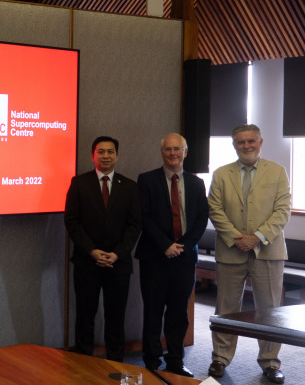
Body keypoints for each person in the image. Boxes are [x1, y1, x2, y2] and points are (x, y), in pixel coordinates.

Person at [207, 124, 291, 384]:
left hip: (267, 251)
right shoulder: (221, 174)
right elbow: (215, 208)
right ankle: (220, 358)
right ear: (234, 145)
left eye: (251, 141)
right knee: (226, 309)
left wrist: (257, 237)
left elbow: (283, 210)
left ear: (260, 142)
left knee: (269, 310)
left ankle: (270, 362)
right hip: (231, 250)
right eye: (241, 142)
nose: (246, 146)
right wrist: (237, 238)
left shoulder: (277, 172)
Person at [135, 133, 208, 377]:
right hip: (155, 256)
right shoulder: (146, 180)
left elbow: (201, 220)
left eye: (177, 149)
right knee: (153, 311)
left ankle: (175, 360)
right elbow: (144, 217)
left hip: (185, 258)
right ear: (162, 152)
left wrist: (184, 246)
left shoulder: (197, 183)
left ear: (185, 152)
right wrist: (165, 245)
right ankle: (152, 359)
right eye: (168, 149)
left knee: (179, 313)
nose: (173, 153)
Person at [64, 136, 141, 362]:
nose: (105, 156)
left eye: (110, 152)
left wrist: (117, 253)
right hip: (87, 262)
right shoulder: (79, 183)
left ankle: (115, 362)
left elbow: (135, 225)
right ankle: (83, 363)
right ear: (92, 156)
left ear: (117, 156)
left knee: (115, 317)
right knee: (85, 316)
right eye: (100, 152)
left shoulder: (129, 187)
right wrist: (92, 251)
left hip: (119, 264)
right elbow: (72, 221)